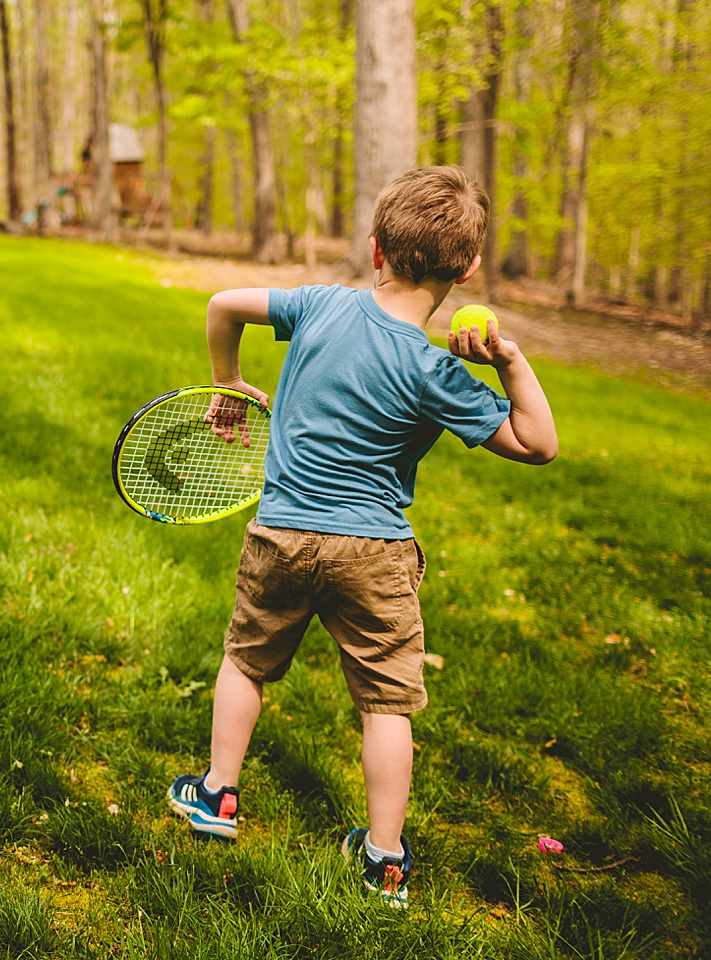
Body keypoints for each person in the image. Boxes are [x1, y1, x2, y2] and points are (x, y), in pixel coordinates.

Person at [165, 166, 558, 908]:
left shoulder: (319, 306)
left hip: (280, 532)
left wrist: (228, 386)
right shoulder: (437, 370)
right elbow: (537, 443)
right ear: (467, 268)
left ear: (375, 248)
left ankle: (216, 796)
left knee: (245, 662)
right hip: (374, 553)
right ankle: (385, 861)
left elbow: (222, 304)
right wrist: (509, 359)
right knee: (386, 703)